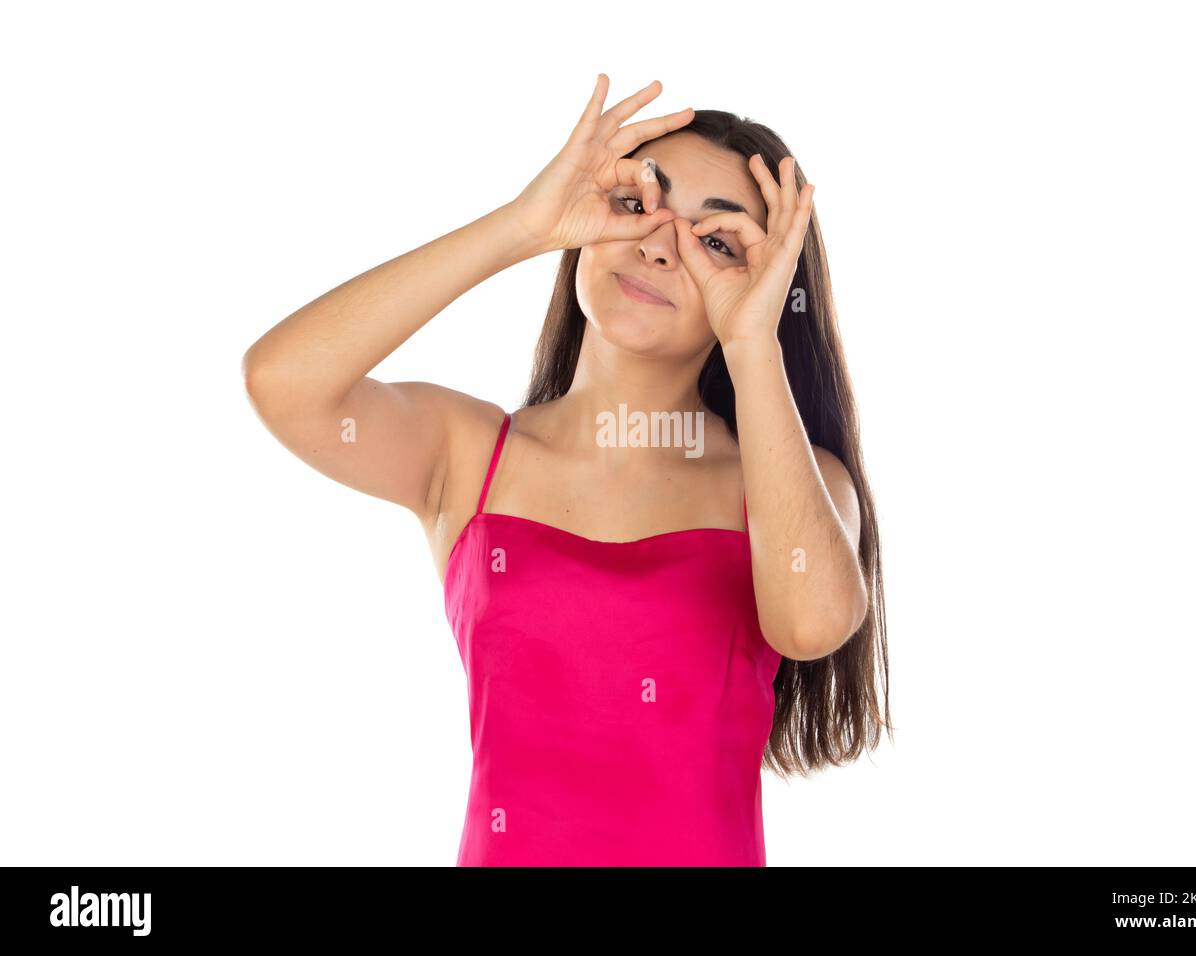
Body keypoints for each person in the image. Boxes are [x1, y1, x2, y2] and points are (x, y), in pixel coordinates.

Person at [243, 74, 892, 866]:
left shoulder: (792, 484)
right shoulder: (469, 453)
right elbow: (283, 383)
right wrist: (523, 225)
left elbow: (814, 623)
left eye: (717, 243)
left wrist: (753, 341)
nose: (660, 245)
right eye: (636, 204)